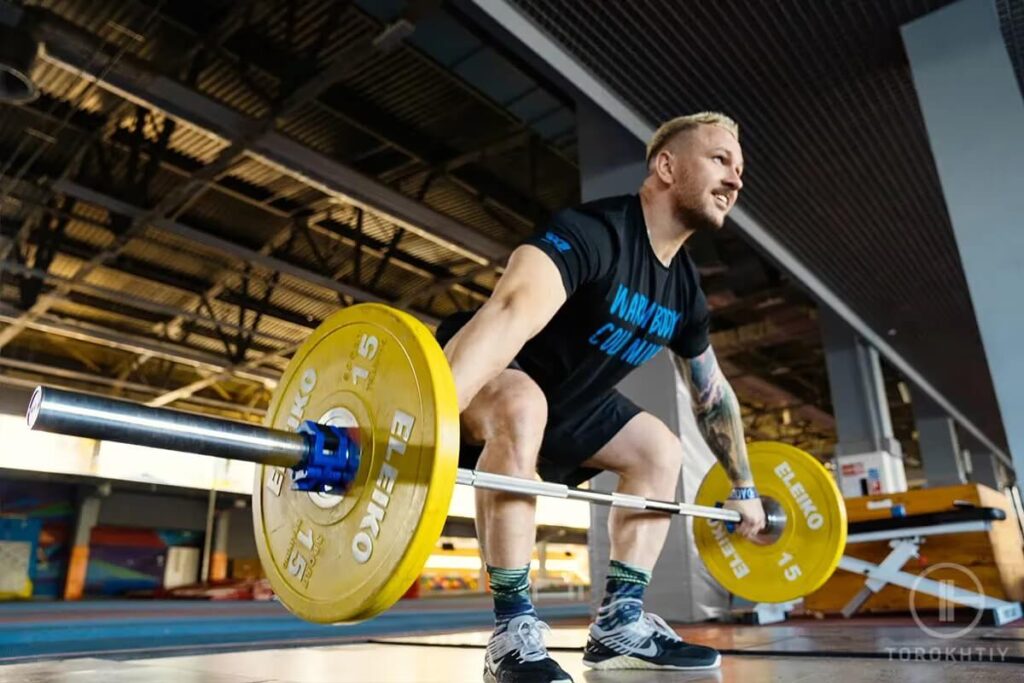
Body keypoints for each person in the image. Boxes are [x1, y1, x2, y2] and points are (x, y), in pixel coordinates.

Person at [436, 112, 766, 683]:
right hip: (490, 377)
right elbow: (509, 314)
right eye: (719, 160)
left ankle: (619, 624)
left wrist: (743, 486)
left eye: (739, 169)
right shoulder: (592, 232)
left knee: (659, 451)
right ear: (666, 165)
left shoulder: (685, 290)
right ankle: (512, 631)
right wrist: (421, 423)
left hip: (570, 403)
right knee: (524, 405)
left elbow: (712, 392)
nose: (736, 180)